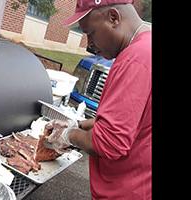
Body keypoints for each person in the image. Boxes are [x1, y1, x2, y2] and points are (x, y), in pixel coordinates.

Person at [45, 0, 152, 199]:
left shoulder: (135, 59)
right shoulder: (146, 47)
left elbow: (109, 142)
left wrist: (69, 135)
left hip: (126, 191)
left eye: (90, 33)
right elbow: (131, 120)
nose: (89, 45)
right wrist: (78, 124)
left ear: (113, 18)